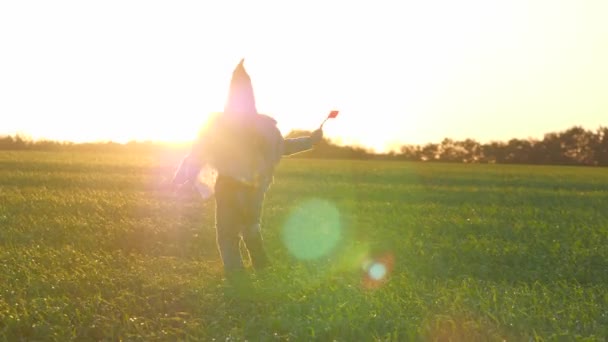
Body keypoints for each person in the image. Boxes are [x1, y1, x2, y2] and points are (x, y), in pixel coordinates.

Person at [171, 59, 323, 275]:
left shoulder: (216, 124)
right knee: (251, 227)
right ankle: (262, 267)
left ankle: (236, 274)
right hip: (255, 186)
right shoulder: (266, 127)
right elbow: (283, 148)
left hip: (227, 185)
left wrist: (181, 176)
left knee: (227, 233)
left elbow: (198, 153)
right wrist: (310, 140)